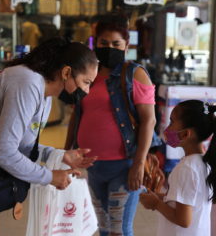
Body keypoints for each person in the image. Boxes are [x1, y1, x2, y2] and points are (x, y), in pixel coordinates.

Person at [0, 37, 98, 236]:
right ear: (66, 72)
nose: (87, 91)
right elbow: (4, 151)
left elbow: (23, 146)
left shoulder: (44, 93)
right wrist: (49, 177)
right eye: (86, 82)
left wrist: (59, 155)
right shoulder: (27, 83)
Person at [65, 14, 161, 236]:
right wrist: (66, 152)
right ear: (94, 43)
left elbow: (149, 120)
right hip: (93, 165)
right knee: (103, 227)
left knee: (119, 229)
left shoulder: (134, 74)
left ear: (126, 45)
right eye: (103, 43)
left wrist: (138, 164)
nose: (110, 48)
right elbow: (76, 115)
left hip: (125, 166)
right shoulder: (88, 73)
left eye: (116, 44)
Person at [140, 100, 216, 236]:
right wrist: (161, 197)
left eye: (171, 122)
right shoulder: (203, 161)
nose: (167, 129)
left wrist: (156, 204)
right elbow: (190, 201)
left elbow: (183, 220)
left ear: (185, 134)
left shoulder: (186, 169)